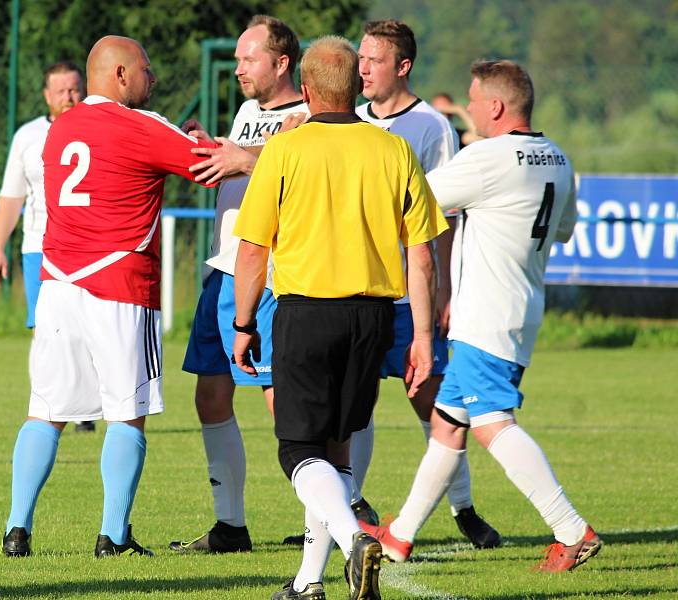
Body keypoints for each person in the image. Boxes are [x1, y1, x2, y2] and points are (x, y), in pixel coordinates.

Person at [358, 60, 602, 573]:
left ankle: (570, 528)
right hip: (522, 304)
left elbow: (411, 197)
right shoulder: (556, 156)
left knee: (492, 421)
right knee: (449, 424)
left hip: (486, 313)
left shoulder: (490, 157)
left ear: (495, 106)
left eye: (472, 100)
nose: (467, 109)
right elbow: (563, 231)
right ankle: (400, 536)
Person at [233, 36, 448, 600]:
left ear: (304, 91)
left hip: (306, 313)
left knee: (297, 449)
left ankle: (356, 540)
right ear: (356, 86)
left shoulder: (285, 150)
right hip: (374, 317)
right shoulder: (393, 150)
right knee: (337, 447)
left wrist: (242, 322)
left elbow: (253, 248)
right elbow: (422, 253)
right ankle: (308, 582)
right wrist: (423, 335)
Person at [0, 35, 217, 559]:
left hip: (57, 284)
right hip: (120, 287)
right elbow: (209, 165)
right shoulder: (142, 125)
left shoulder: (59, 130)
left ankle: (16, 529)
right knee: (127, 412)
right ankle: (113, 535)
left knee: (45, 410)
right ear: (120, 74)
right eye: (146, 68)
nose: (153, 78)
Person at [353, 19, 500, 549]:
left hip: (408, 296)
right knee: (356, 404)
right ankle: (351, 508)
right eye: (361, 57)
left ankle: (464, 509)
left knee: (431, 402)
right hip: (359, 291)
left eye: (374, 59)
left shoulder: (431, 126)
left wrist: (442, 292)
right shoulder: (351, 120)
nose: (363, 67)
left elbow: (443, 217)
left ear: (403, 66)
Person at [169, 15, 309, 554]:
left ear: (281, 63)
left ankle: (322, 519)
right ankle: (230, 526)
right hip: (222, 268)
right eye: (236, 60)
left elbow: (293, 172)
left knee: (284, 403)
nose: (238, 69)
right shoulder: (251, 111)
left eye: (248, 60)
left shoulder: (305, 116)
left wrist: (243, 158)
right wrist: (212, 148)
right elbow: (242, 164)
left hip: (270, 277)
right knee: (209, 395)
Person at [0, 61, 95, 433]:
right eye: (61, 91)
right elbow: (11, 197)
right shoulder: (28, 136)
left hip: (89, 246)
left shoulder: (100, 129)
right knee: (46, 330)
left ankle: (84, 406)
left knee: (87, 327)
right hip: (40, 248)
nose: (69, 97)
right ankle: (49, 403)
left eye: (74, 88)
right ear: (47, 96)